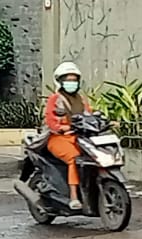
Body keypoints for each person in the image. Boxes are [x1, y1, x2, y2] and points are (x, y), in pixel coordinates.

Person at [43, 62, 92, 210]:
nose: (72, 83)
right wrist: (61, 127)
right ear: (60, 82)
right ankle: (74, 197)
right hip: (58, 138)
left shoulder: (81, 99)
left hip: (78, 137)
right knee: (74, 159)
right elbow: (51, 121)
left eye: (74, 80)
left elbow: (89, 115)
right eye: (68, 80)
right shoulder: (55, 99)